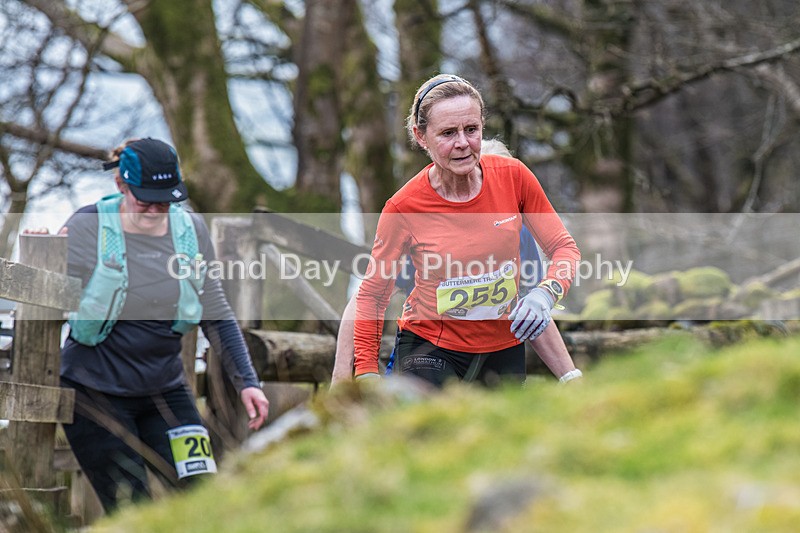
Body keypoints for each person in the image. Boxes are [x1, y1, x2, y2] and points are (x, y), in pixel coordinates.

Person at [43, 138, 269, 512]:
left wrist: (247, 382)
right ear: (121, 184)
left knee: (204, 497)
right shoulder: (88, 226)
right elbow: (53, 298)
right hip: (94, 392)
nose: (154, 211)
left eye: (164, 202)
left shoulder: (190, 230)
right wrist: (45, 258)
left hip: (165, 390)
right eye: (144, 200)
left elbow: (216, 310)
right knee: (133, 507)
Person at [352, 75, 583, 388]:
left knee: (498, 422)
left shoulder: (514, 177)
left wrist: (545, 294)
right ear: (421, 136)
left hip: (503, 347)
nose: (462, 142)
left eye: (471, 129)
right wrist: (365, 373)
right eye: (448, 133)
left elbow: (564, 248)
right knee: (436, 419)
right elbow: (372, 294)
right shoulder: (403, 207)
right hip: (429, 346)